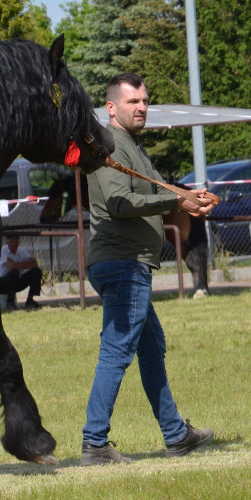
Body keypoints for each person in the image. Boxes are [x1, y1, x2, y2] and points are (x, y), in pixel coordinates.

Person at [81, 72, 216, 466]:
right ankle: (94, 444)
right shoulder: (108, 145)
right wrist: (176, 205)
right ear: (111, 108)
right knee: (116, 352)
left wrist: (193, 198)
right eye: (132, 102)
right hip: (122, 264)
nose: (141, 108)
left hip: (130, 265)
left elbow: (160, 189)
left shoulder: (132, 146)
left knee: (151, 347)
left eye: (144, 101)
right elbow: (120, 203)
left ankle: (176, 435)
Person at [0, 235, 43, 310]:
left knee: (37, 271)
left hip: (15, 282)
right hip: (1, 283)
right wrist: (25, 263)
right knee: (14, 272)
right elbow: (11, 267)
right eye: (12, 242)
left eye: (16, 242)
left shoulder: (21, 251)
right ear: (7, 243)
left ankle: (30, 300)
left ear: (18, 243)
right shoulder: (3, 251)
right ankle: (10, 302)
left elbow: (34, 264)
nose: (14, 244)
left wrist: (16, 264)